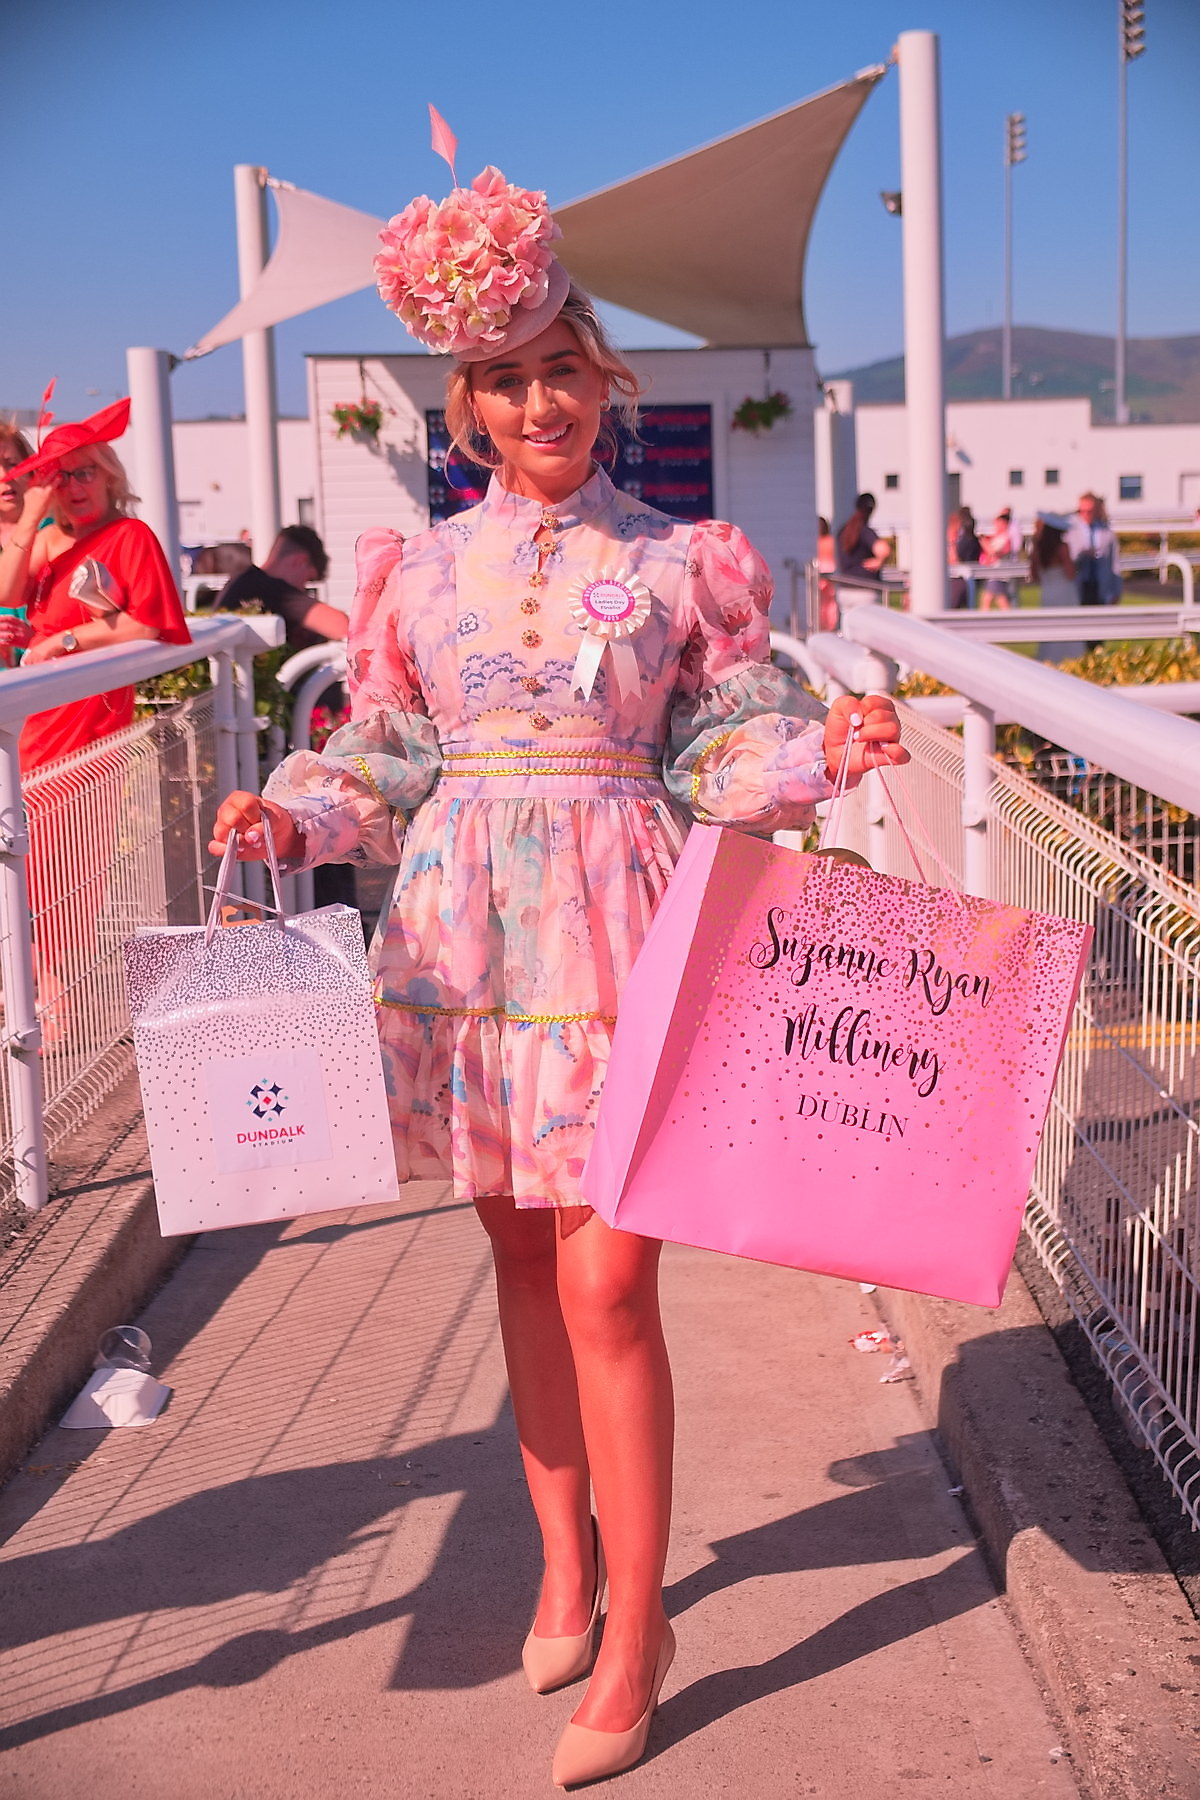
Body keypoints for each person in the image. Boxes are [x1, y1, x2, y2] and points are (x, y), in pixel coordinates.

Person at [211, 156, 907, 1789]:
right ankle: (563, 1568)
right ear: (469, 407)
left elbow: (722, 747)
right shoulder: (419, 577)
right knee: (523, 1268)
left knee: (610, 1280)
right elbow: (376, 752)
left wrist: (826, 751)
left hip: (628, 931)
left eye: (561, 372)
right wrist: (288, 807)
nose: (540, 403)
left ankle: (645, 1620)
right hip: (463, 939)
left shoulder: (684, 566)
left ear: (606, 381)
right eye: (507, 382)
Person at [0, 398, 190, 769]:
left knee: (80, 822)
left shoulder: (130, 535)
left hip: (92, 708)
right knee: (35, 821)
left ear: (109, 474)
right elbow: (7, 593)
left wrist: (62, 641)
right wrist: (31, 516)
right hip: (42, 708)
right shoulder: (49, 537)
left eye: (85, 472)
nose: (74, 487)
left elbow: (147, 624)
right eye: (62, 477)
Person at [215, 523, 347, 652]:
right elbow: (343, 627)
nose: (302, 589)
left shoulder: (245, 581)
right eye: (307, 580)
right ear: (300, 561)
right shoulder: (270, 589)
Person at [1031, 513, 1085, 663]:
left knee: (1049, 628)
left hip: (1048, 592)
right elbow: (1070, 574)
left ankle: (1049, 659)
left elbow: (1034, 575)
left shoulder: (1037, 549)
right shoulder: (1062, 547)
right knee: (1069, 626)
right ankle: (1069, 660)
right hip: (1064, 591)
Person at [1066, 492, 1121, 611]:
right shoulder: (1070, 531)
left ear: (1096, 510)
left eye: (1089, 511)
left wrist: (1116, 591)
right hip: (1078, 586)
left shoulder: (1106, 531)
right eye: (1082, 511)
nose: (1085, 515)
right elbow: (1065, 560)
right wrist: (1081, 554)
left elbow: (1114, 563)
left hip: (1100, 586)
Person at [834, 492, 890, 588]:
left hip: (845, 587)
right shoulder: (865, 531)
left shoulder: (843, 531)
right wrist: (880, 560)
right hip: (865, 586)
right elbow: (883, 549)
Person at [980, 507, 1019, 611]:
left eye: (999, 523)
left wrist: (985, 545)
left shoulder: (1006, 538)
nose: (996, 525)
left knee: (996, 600)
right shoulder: (995, 537)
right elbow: (989, 557)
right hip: (993, 573)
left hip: (999, 573)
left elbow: (997, 553)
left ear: (1005, 524)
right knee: (993, 600)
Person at [947, 506, 983, 610]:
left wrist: (952, 543)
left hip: (960, 579)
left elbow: (955, 561)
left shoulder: (965, 542)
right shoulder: (966, 540)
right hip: (958, 578)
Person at [816, 514, 838, 630]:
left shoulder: (826, 541)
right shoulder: (830, 541)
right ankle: (827, 625)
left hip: (825, 572)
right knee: (825, 603)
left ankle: (828, 625)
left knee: (827, 603)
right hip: (826, 571)